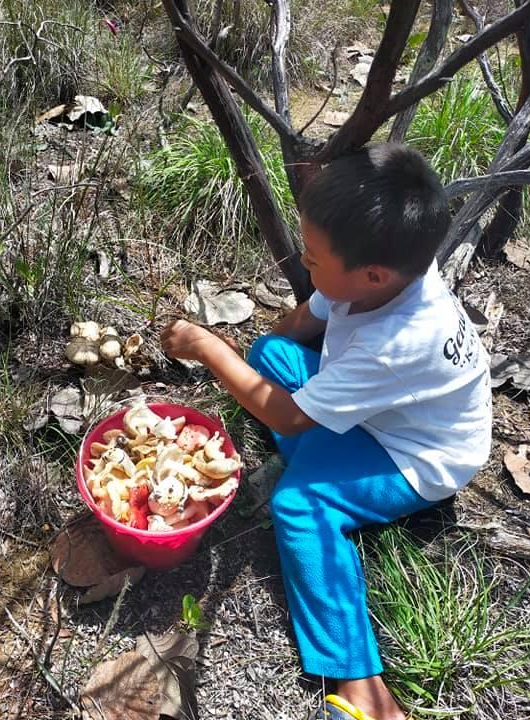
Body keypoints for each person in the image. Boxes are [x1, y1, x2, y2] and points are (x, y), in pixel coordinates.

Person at [160, 143, 492, 720]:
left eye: (312, 259)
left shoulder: (398, 342)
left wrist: (210, 349)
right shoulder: (387, 270)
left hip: (416, 455)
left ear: (370, 274)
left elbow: (287, 417)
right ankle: (323, 451)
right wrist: (263, 349)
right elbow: (310, 316)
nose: (304, 264)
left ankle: (361, 682)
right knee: (271, 354)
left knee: (299, 505)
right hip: (379, 412)